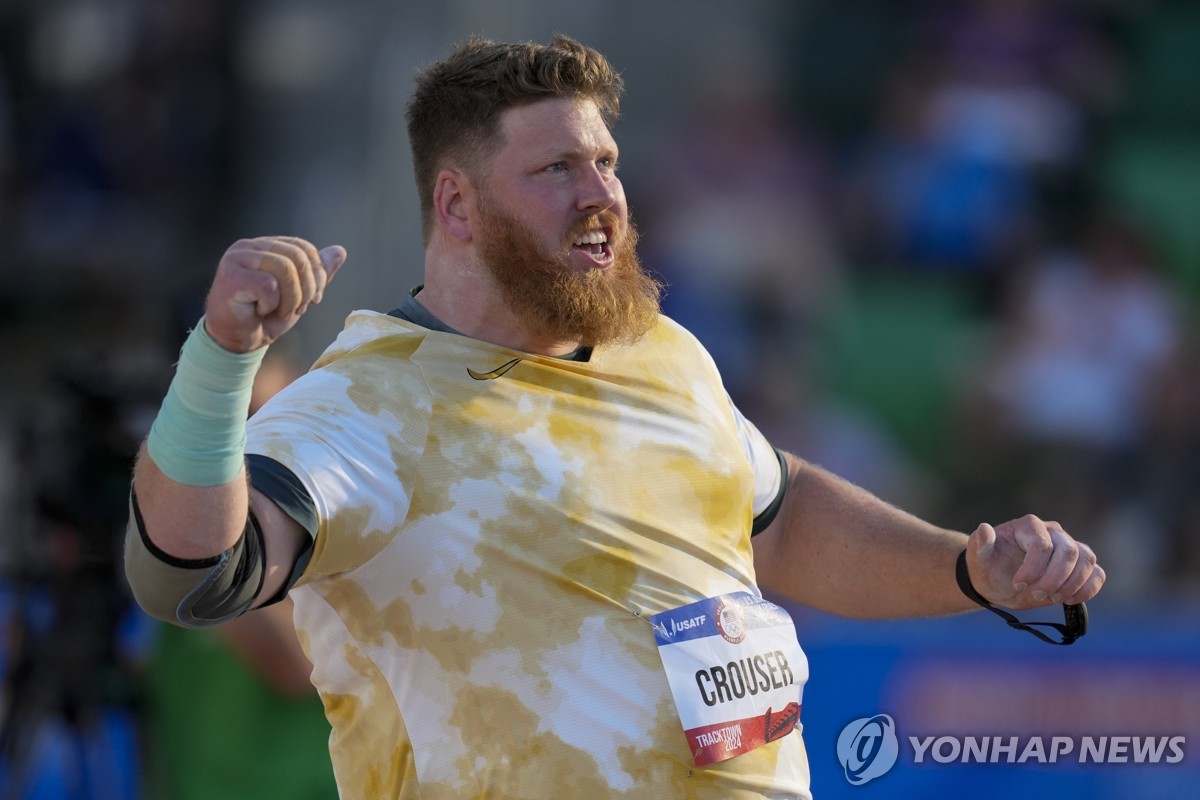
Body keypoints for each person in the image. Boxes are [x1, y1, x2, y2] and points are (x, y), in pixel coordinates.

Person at [124, 35, 1105, 799]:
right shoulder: (367, 405)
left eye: (608, 161)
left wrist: (969, 568)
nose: (602, 196)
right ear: (456, 207)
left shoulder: (661, 353)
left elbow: (781, 512)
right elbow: (187, 570)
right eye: (557, 170)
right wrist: (220, 360)